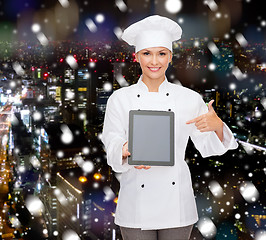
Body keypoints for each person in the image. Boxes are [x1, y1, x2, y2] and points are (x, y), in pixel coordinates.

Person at [101, 15, 238, 240]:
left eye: (161, 53)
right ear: (136, 57)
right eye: (147, 53)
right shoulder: (120, 99)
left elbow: (209, 147)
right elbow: (112, 142)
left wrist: (218, 125)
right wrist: (125, 150)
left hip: (176, 204)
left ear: (170, 57)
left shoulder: (189, 99)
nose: (154, 61)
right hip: (135, 203)